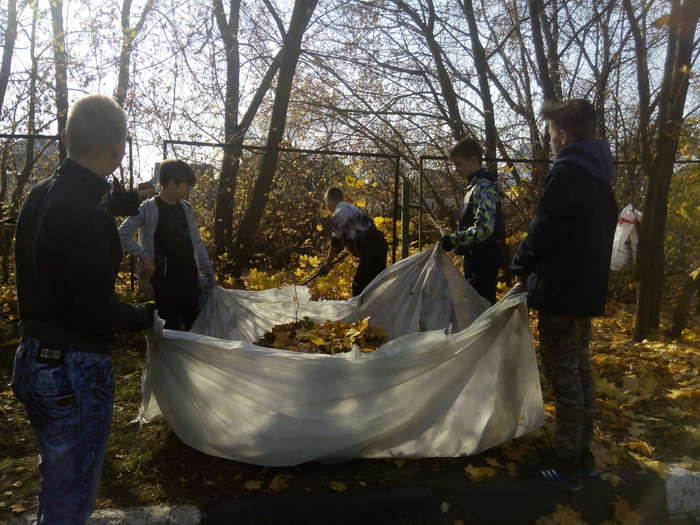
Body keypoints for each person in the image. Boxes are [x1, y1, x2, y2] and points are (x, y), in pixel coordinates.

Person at [12, 94, 156, 523]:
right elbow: (94, 310)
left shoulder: (38, 197)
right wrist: (144, 316)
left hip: (32, 361)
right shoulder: (88, 217)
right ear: (118, 148)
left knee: (58, 485)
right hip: (73, 372)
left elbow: (63, 254)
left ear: (68, 138)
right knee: (71, 502)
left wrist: (112, 206)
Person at [511, 99, 618, 491]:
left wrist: (520, 263)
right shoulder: (598, 174)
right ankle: (583, 456)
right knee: (581, 373)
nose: (552, 141)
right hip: (585, 290)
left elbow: (544, 228)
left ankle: (566, 463)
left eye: (553, 133)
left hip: (561, 291)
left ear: (566, 135)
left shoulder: (569, 173)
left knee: (563, 378)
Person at [119, 159, 214, 330]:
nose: (189, 191)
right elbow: (122, 233)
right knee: (168, 330)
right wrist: (145, 256)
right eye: (186, 186)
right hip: (164, 283)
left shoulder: (186, 208)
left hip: (190, 280)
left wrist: (208, 273)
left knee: (196, 327)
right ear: (171, 183)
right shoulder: (147, 208)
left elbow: (196, 242)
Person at [441, 137, 505, 304]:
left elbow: (484, 229)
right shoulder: (474, 187)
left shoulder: (483, 187)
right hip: (475, 258)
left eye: (459, 164)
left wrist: (454, 239)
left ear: (474, 160)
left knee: (480, 310)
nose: (456, 169)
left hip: (483, 260)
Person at [319, 187, 387, 296]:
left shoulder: (340, 213)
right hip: (379, 247)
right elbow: (342, 243)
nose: (327, 207)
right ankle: (377, 311)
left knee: (359, 287)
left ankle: (362, 312)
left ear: (330, 202)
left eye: (326, 203)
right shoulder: (351, 208)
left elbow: (335, 243)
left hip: (371, 250)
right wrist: (329, 262)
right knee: (374, 288)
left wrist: (327, 263)